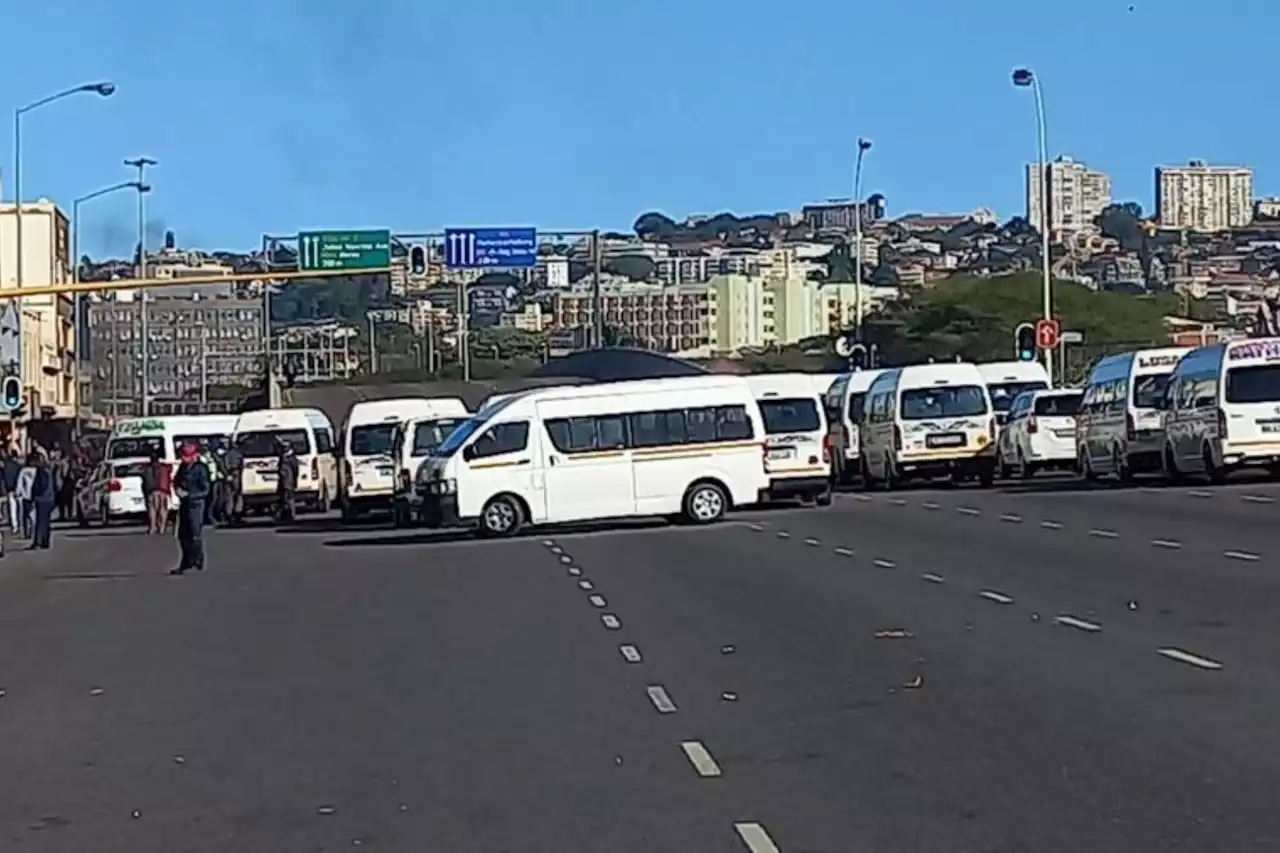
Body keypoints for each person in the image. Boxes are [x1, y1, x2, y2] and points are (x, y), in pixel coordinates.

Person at [171, 443, 210, 575]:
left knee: (195, 534)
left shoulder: (201, 469)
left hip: (196, 504)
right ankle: (186, 561)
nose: (184, 460)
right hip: (184, 504)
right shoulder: (182, 468)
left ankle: (198, 559)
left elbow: (205, 490)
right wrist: (178, 490)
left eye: (186, 457)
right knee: (182, 534)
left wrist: (190, 495)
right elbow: (176, 481)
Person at [28, 454, 56, 550]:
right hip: (50, 498)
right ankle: (45, 541)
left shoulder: (41, 471)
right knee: (46, 522)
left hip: (42, 498)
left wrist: (35, 494)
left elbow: (42, 485)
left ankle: (38, 542)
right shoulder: (49, 470)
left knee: (40, 521)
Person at [275, 439, 299, 524]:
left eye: (285, 447)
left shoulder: (292, 458)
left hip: (288, 481)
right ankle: (283, 516)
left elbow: (295, 470)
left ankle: (291, 515)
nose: (283, 448)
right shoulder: (283, 456)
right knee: (282, 499)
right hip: (282, 481)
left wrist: (294, 481)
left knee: (289, 498)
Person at [222, 443, 244, 526]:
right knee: (238, 495)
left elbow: (224, 464)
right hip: (235, 474)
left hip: (230, 474)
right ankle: (236, 514)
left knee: (230, 496)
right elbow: (241, 464)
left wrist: (227, 474)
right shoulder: (238, 453)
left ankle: (229, 514)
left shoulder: (227, 454)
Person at [16, 453, 36, 540]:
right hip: (35, 495)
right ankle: (32, 531)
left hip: (25, 495)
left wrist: (18, 492)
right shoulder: (37, 470)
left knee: (25, 515)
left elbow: (19, 482)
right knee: (33, 515)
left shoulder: (23, 471)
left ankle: (26, 532)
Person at [3, 449, 20, 536]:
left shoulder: (7, 466)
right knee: (18, 508)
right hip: (18, 489)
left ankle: (14, 525)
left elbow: (6, 478)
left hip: (10, 489)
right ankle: (18, 525)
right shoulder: (17, 466)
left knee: (13, 508)